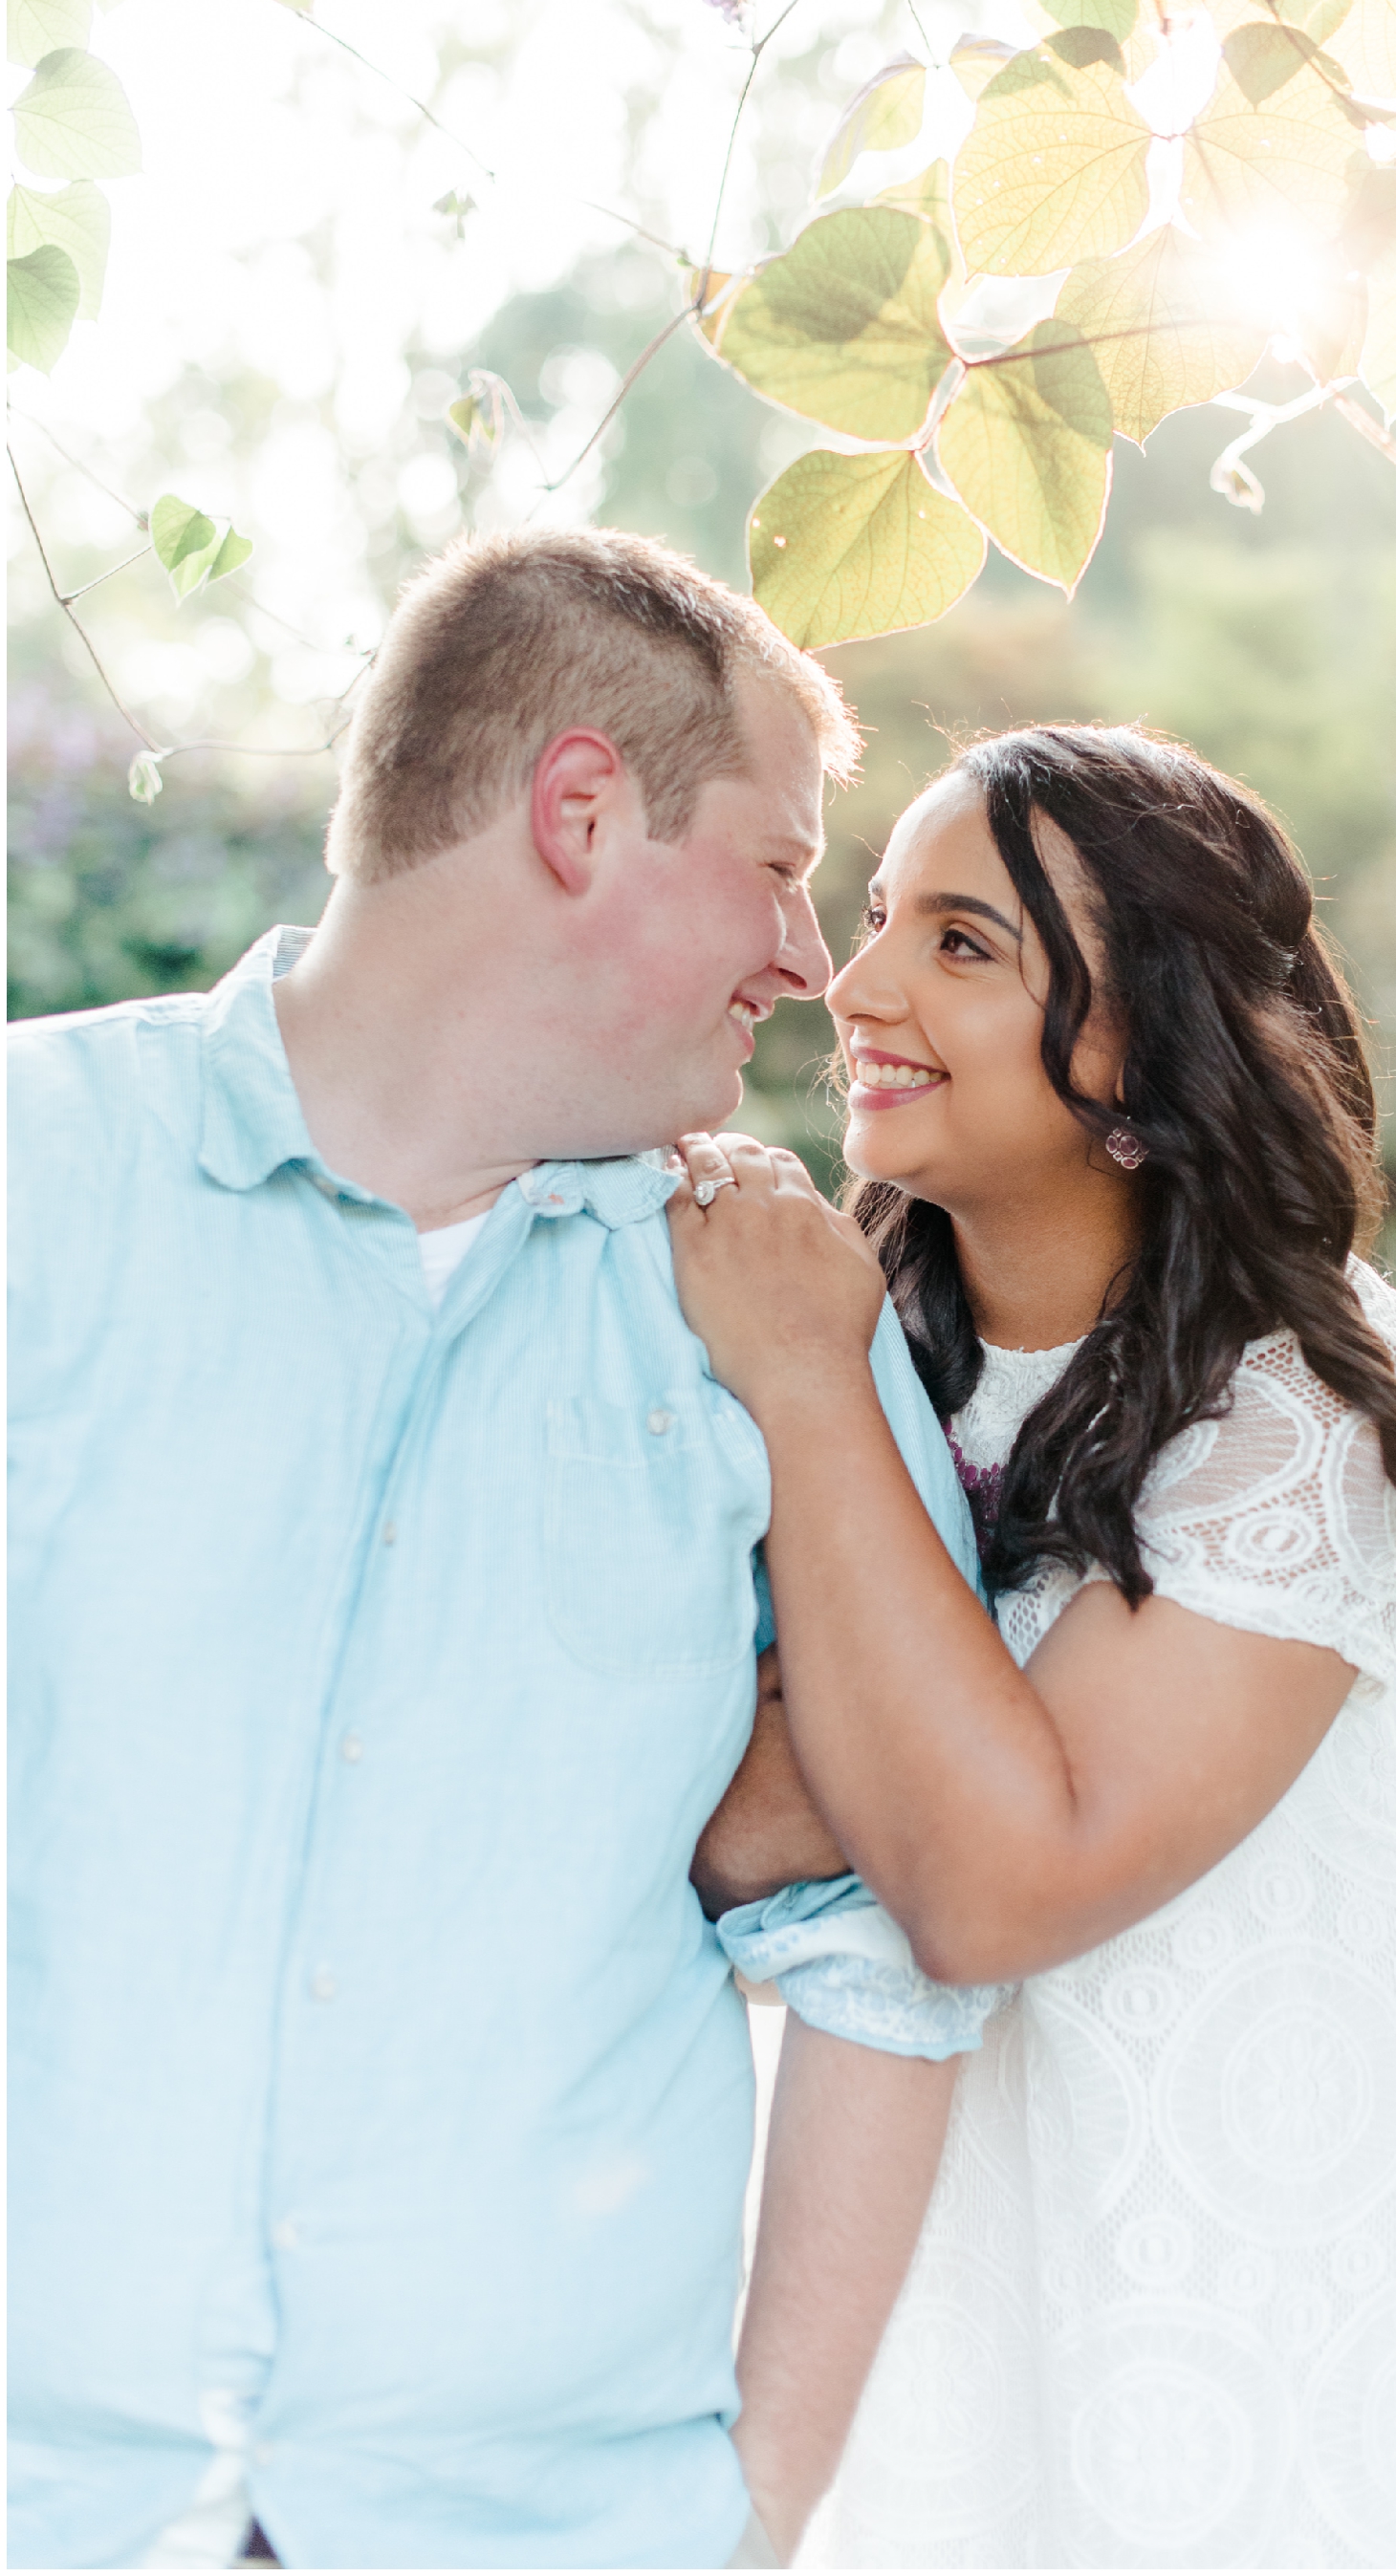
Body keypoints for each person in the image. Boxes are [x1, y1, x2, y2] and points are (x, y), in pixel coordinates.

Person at [8, 527, 992, 2572]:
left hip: (549, 2523)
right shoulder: (37, 1185)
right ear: (578, 810)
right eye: (779, 861)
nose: (809, 961)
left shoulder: (775, 1321)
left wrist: (754, 2503)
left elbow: (887, 1947)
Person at [666, 725, 1396, 2568]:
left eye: (962, 945)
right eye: (878, 912)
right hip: (963, 2219)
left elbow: (987, 1883)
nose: (857, 979)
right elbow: (731, 1839)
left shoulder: (1300, 1405)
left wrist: (807, 1389)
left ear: (1144, 1046)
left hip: (1297, 2226)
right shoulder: (868, 1340)